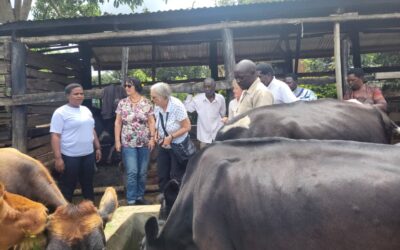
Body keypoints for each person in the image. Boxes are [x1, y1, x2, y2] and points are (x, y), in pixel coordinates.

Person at [50, 83, 101, 202]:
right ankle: (65, 212)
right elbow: (55, 135)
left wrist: (97, 147)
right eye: (76, 94)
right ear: (68, 96)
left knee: (88, 184)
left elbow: (92, 130)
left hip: (88, 154)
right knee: (68, 185)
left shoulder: (86, 110)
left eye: (81, 94)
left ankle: (91, 209)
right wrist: (58, 158)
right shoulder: (60, 112)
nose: (79, 96)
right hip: (70, 156)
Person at [114, 77, 156, 205]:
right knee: (132, 171)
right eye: (125, 86)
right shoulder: (122, 103)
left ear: (136, 87)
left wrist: (152, 138)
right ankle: (131, 199)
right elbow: (118, 122)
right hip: (128, 143)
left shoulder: (146, 103)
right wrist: (117, 141)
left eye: (129, 86)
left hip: (144, 142)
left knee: (143, 172)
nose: (126, 88)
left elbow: (151, 121)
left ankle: (140, 196)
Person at [150, 82, 192, 192]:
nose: (152, 99)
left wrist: (171, 137)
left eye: (154, 97)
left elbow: (187, 127)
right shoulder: (157, 106)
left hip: (177, 145)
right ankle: (165, 199)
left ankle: (178, 202)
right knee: (162, 174)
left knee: (176, 175)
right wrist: (156, 133)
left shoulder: (177, 106)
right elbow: (158, 123)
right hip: (163, 144)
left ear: (163, 97)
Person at [184, 77, 226, 148]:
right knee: (204, 157)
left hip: (217, 134)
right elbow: (187, 108)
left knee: (218, 157)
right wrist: (190, 94)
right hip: (204, 137)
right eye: (205, 87)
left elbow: (223, 114)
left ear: (214, 87)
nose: (207, 89)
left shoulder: (220, 98)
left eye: (209, 87)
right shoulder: (197, 99)